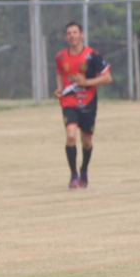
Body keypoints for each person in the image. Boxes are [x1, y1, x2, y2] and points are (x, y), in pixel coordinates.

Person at [54, 22, 112, 188]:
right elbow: (59, 72)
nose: (72, 35)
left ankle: (84, 169)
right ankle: (73, 175)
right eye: (69, 33)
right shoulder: (60, 56)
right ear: (66, 37)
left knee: (86, 142)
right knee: (71, 135)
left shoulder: (92, 55)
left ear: (82, 35)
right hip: (69, 101)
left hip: (88, 102)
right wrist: (59, 88)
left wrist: (87, 81)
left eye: (75, 32)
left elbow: (107, 78)